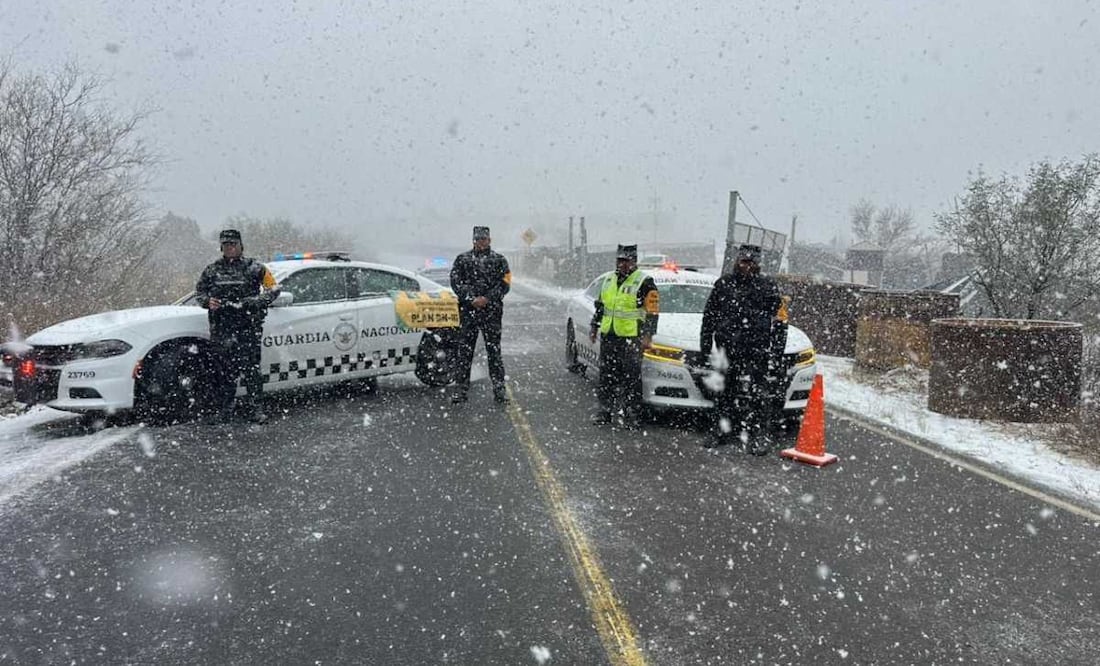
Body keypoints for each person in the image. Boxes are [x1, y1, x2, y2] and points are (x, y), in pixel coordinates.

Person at [699, 243, 781, 452]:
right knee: (724, 392)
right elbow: (709, 316)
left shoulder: (768, 287)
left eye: (751, 262)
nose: (746, 266)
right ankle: (720, 431)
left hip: (756, 349)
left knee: (758, 395)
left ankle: (757, 436)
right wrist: (705, 345)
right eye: (743, 261)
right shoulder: (724, 284)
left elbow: (780, 322)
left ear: (757, 264)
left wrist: (776, 352)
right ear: (737, 261)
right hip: (728, 348)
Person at [195, 229, 280, 424]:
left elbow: (274, 289)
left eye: (233, 244)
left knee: (251, 370)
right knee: (224, 372)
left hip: (248, 327)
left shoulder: (256, 267)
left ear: (241, 246)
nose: (230, 248)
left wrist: (258, 301)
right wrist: (207, 301)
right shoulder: (212, 270)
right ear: (221, 248)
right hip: (221, 328)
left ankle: (256, 409)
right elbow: (199, 292)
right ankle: (225, 409)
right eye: (226, 245)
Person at [589, 244, 660, 428]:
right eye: (619, 260)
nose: (622, 264)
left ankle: (632, 414)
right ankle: (605, 411)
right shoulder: (608, 280)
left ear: (634, 262)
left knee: (631, 377)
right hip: (610, 336)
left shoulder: (645, 282)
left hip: (632, 338)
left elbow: (653, 312)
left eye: (626, 261)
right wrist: (594, 326)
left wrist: (647, 336)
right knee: (606, 375)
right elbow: (600, 306)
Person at [449, 226, 512, 404]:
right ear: (473, 240)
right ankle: (461, 390)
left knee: (494, 352)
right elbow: (455, 282)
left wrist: (487, 299)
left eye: (484, 239)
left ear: (489, 240)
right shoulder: (462, 259)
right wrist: (471, 299)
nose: (481, 242)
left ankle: (499, 390)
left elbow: (505, 284)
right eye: (478, 239)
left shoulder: (500, 260)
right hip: (468, 312)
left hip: (491, 312)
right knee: (464, 352)